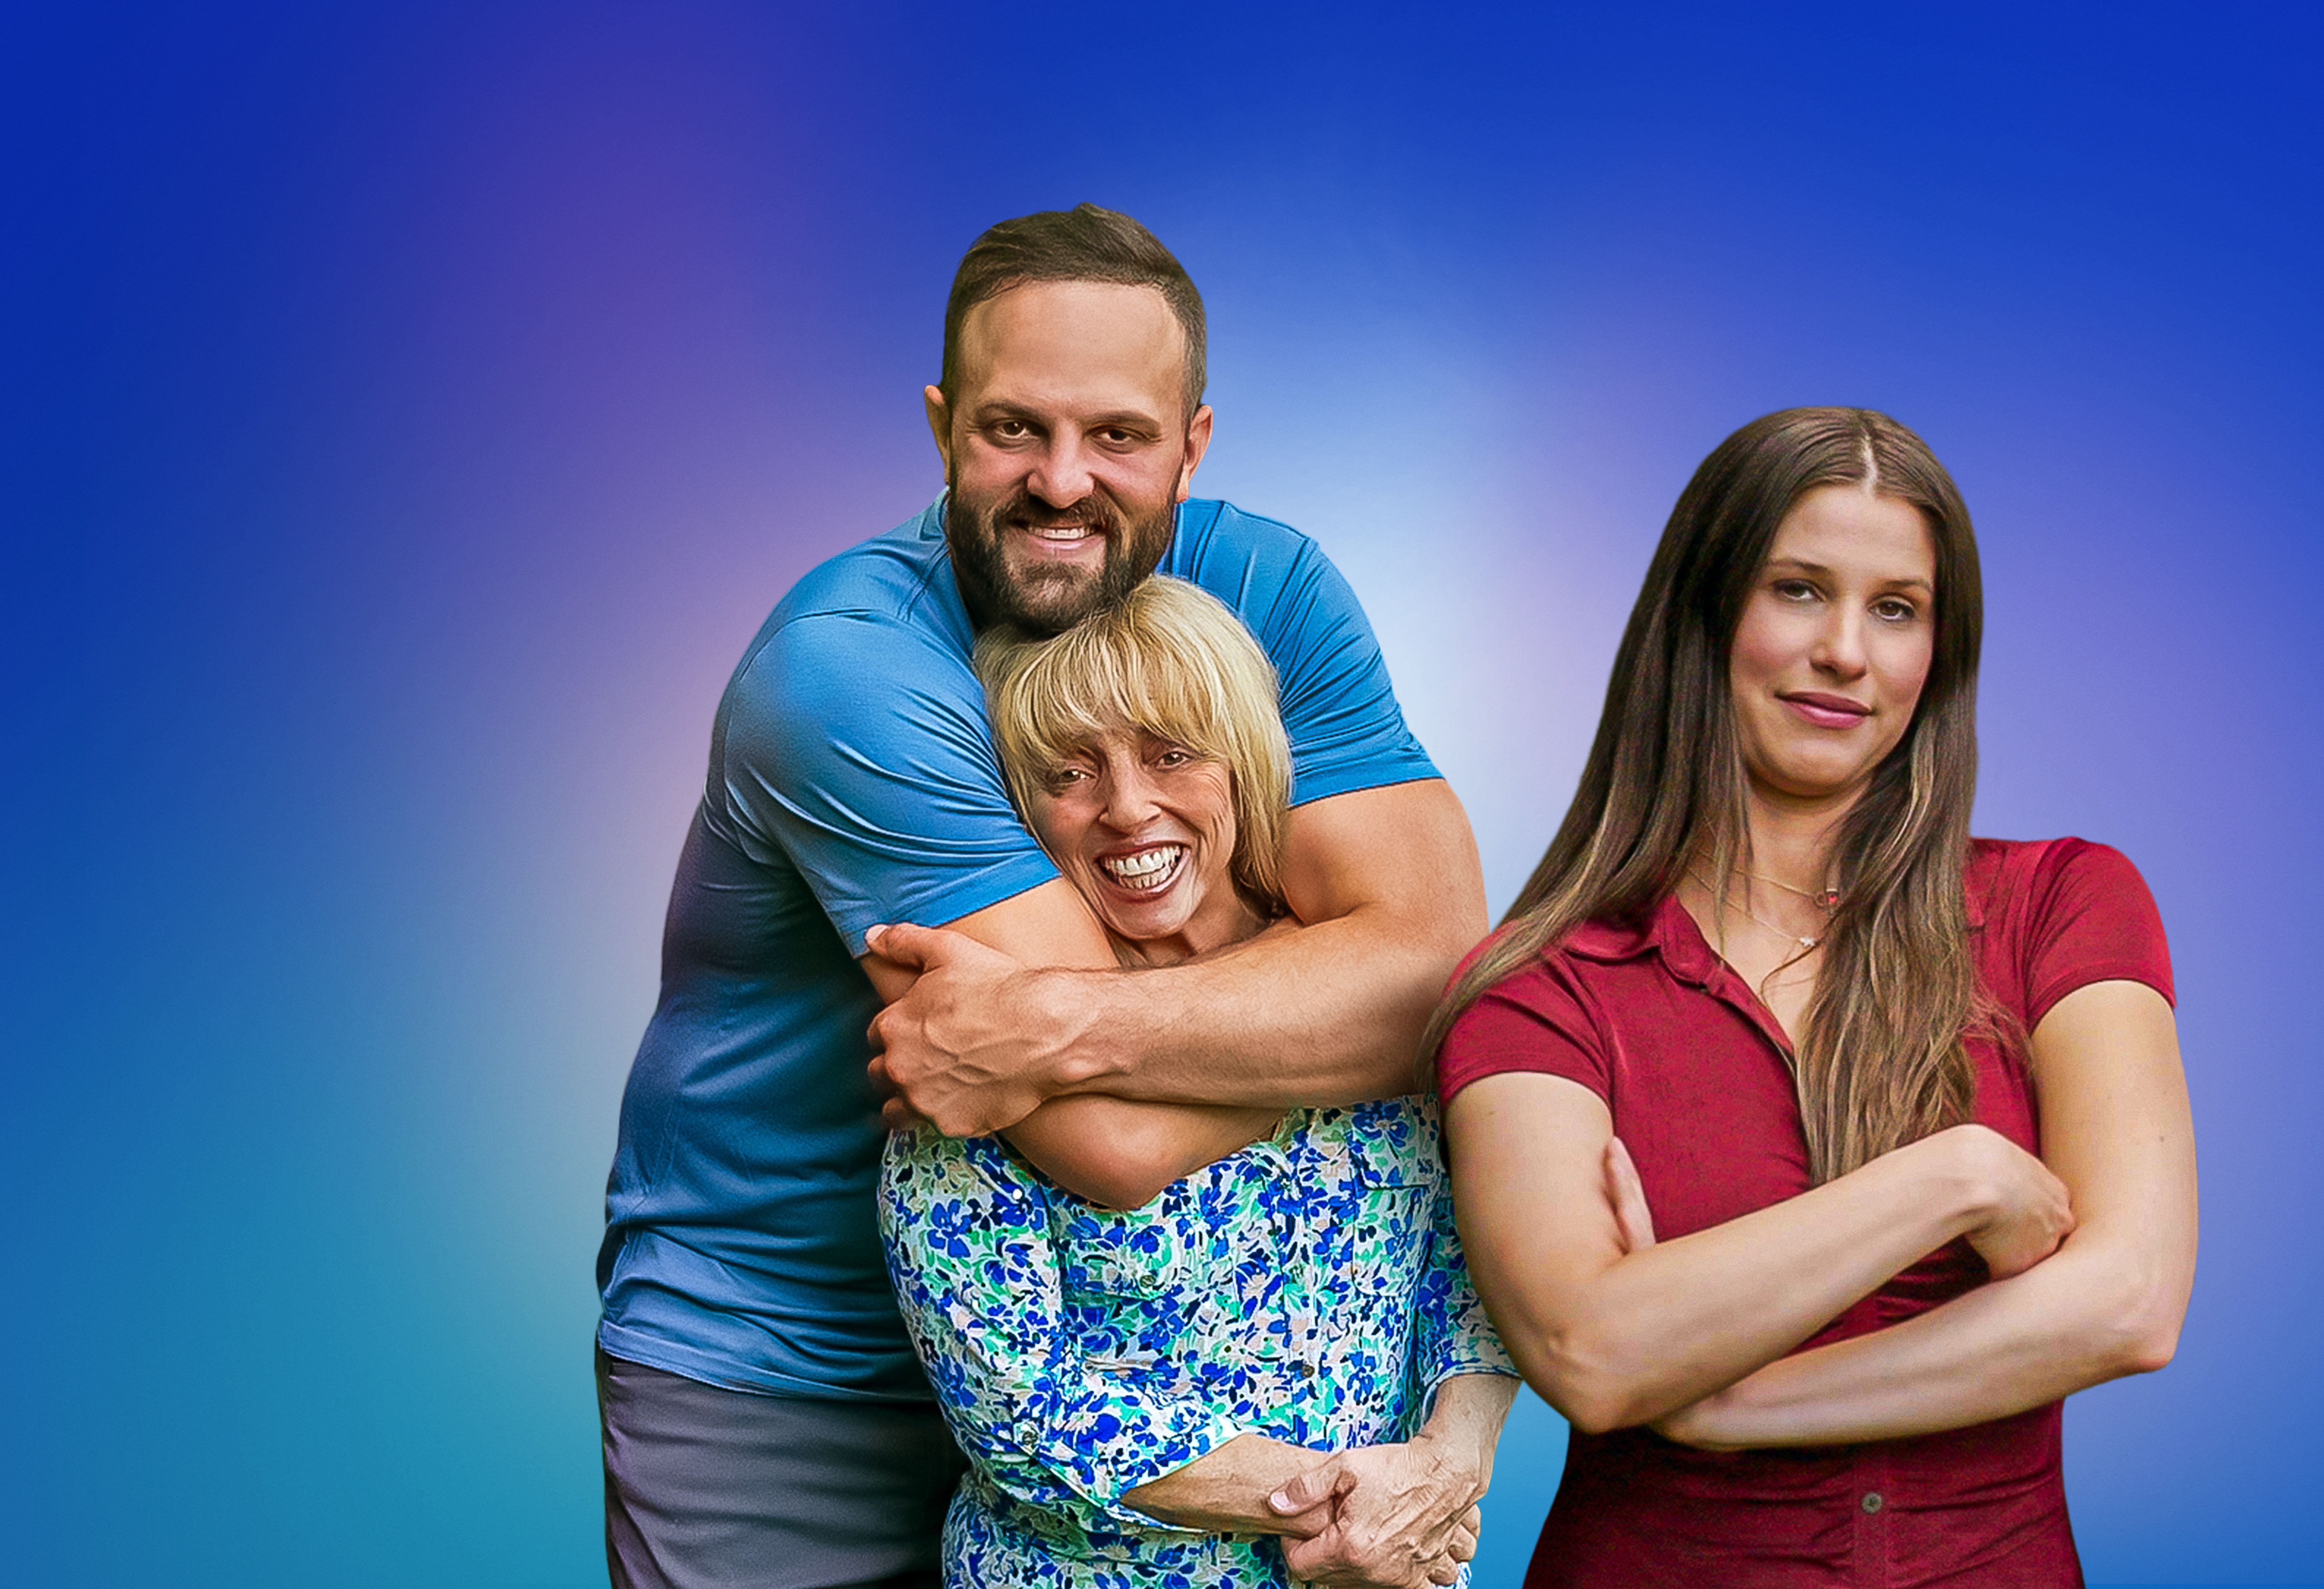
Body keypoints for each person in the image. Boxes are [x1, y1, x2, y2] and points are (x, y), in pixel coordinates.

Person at [596, 204, 1489, 1589]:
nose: (1063, 482)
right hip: (786, 1366)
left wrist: (1042, 1025)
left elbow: (1437, 975)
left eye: (1119, 437)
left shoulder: (1271, 591)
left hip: (1136, 1359)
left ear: (1192, 442)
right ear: (943, 423)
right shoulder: (847, 675)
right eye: (1015, 428)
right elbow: (1117, 1142)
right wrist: (1362, 1021)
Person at [1433, 407, 2199, 1587]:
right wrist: (1960, 1177)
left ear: (1938, 652)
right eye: (1798, 590)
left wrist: (1724, 1401)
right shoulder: (1541, 990)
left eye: (1896, 608)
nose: (1847, 649)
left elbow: (2130, 1300)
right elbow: (1591, 1351)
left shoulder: (2064, 904)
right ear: (1704, 612)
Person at [877, 577, 1517, 1588]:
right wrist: (1350, 1506)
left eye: (1172, 753)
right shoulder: (989, 1053)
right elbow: (1019, 1405)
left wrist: (1449, 1462)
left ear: (1244, 766)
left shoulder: (1360, 1007)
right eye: (1069, 772)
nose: (1128, 808)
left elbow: (1472, 1260)